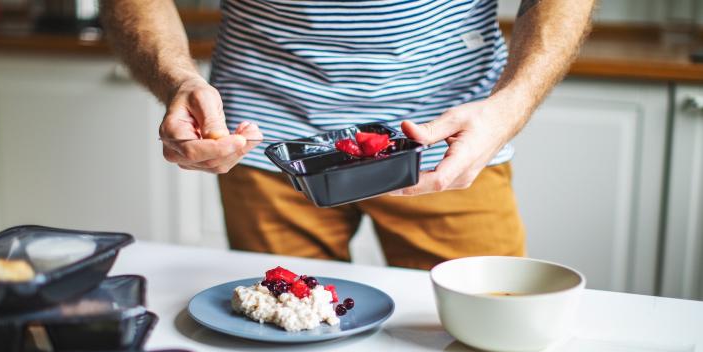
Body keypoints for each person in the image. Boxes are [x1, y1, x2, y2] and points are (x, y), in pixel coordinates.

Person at [101, 0, 595, 270]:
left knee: (486, 326)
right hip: (271, 139)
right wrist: (178, 80)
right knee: (286, 325)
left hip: (449, 138)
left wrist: (509, 107)